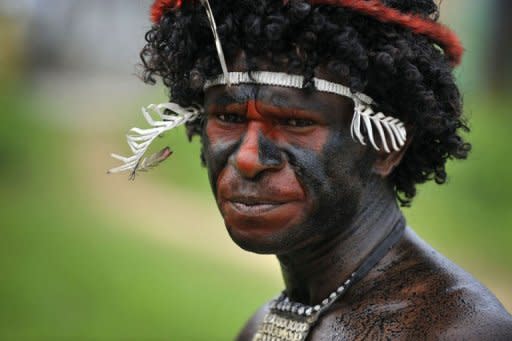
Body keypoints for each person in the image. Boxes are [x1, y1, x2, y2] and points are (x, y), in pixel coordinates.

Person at [109, 0, 512, 339]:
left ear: (387, 148)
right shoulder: (264, 325)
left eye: (295, 123)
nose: (248, 158)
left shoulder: (457, 331)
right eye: (229, 117)